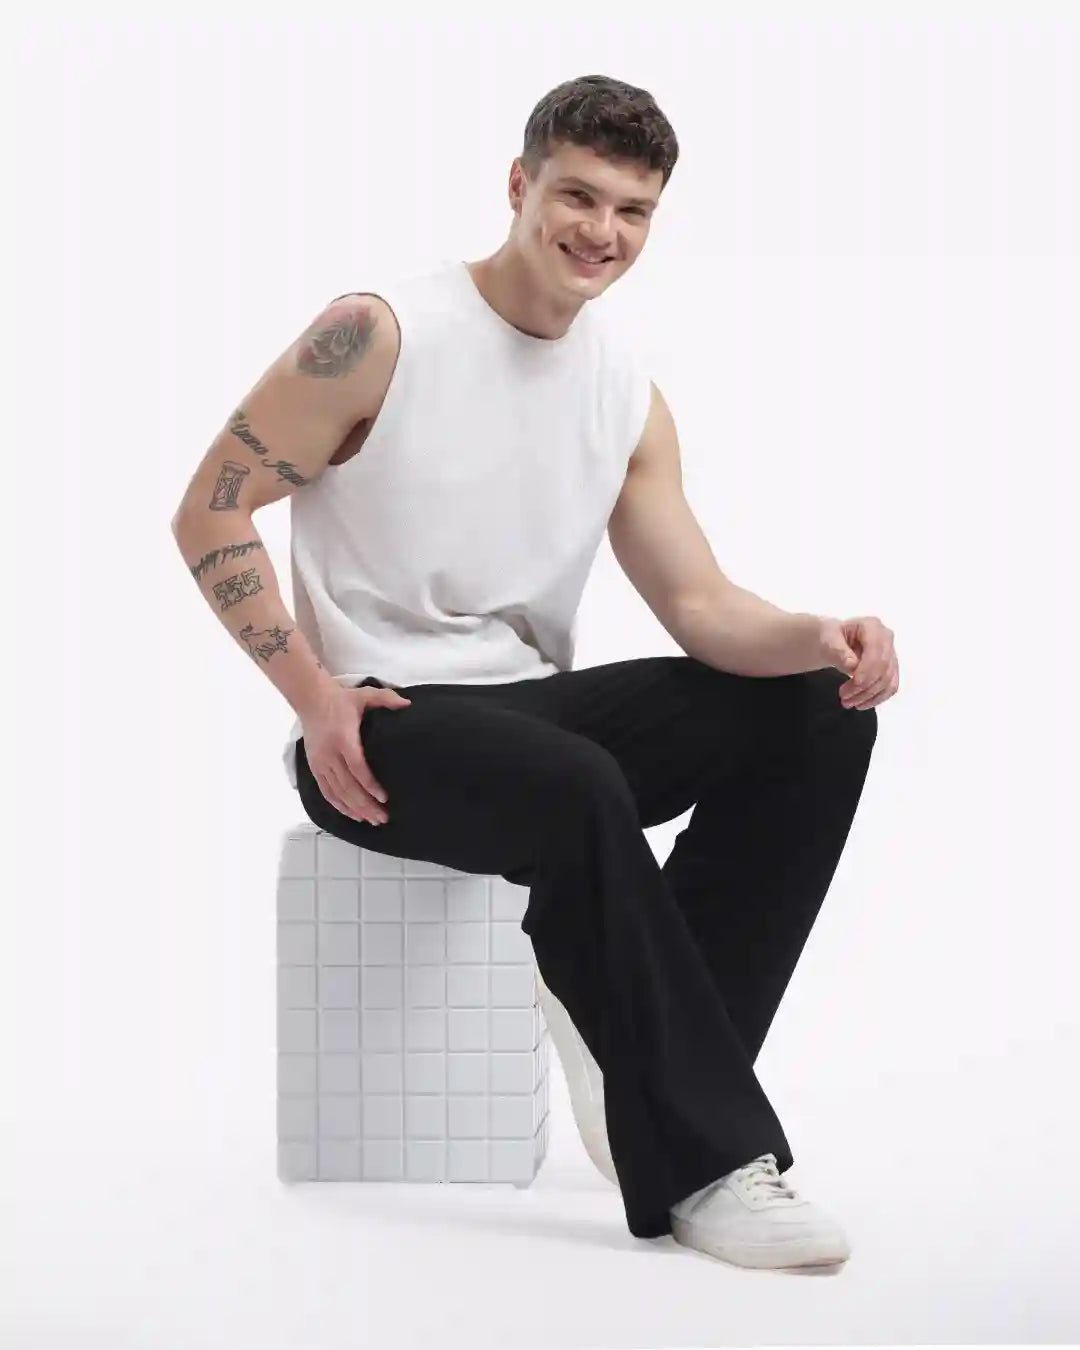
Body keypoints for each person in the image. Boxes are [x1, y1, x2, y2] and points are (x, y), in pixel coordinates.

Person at [170, 74, 899, 1270]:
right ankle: (710, 1163)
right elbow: (211, 510)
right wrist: (313, 698)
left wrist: (822, 637)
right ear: (520, 187)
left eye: (633, 209)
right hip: (386, 719)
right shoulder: (380, 335)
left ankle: (645, 1077)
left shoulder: (626, 395)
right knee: (573, 782)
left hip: (531, 716)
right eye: (576, 195)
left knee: (816, 714)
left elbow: (703, 607)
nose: (600, 233)